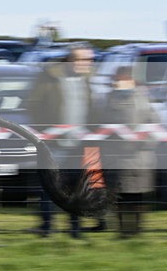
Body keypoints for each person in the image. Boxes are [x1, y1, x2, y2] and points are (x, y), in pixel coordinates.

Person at [26, 44, 96, 238]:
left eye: (90, 60)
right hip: (54, 144)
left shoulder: (86, 81)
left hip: (78, 144)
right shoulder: (49, 78)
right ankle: (47, 227)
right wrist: (47, 131)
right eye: (83, 59)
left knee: (77, 188)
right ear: (70, 60)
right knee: (51, 187)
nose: (88, 64)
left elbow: (91, 109)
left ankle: (75, 229)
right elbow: (33, 105)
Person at [99, 66, 159, 238]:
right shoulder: (107, 100)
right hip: (117, 157)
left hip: (140, 157)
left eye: (123, 80)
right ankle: (123, 231)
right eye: (117, 80)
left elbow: (154, 125)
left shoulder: (144, 99)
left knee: (138, 196)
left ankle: (136, 230)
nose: (119, 83)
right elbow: (102, 127)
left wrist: (145, 143)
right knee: (119, 196)